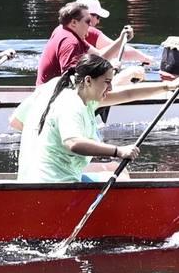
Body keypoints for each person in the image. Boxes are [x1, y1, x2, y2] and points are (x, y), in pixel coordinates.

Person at [17, 55, 145, 183]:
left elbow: (127, 94)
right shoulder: (71, 103)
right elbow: (73, 143)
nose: (110, 87)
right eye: (107, 82)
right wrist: (118, 151)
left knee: (116, 168)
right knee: (121, 180)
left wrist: (164, 87)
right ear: (88, 81)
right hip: (55, 184)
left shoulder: (75, 92)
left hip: (39, 176)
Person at [39, 0, 136, 84]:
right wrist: (108, 69)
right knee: (134, 73)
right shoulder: (70, 42)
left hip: (50, 93)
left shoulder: (64, 30)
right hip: (53, 98)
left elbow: (100, 57)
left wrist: (121, 39)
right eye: (87, 22)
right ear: (74, 23)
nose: (90, 26)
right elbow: (71, 80)